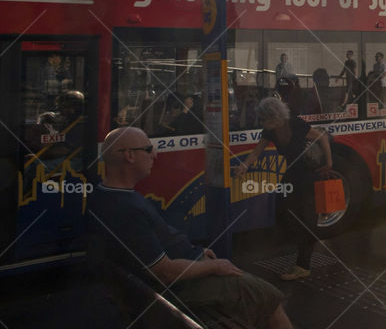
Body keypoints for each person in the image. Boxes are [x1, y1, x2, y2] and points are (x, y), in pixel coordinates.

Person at [89, 126, 293, 329]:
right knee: (269, 298)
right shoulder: (126, 208)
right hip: (179, 287)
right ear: (130, 156)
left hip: (170, 274)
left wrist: (197, 252)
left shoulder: (106, 196)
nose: (155, 155)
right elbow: (165, 273)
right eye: (149, 149)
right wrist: (214, 266)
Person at [234, 98, 332, 281]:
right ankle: (301, 253)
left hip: (308, 174)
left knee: (306, 218)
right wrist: (244, 166)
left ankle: (303, 265)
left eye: (264, 120)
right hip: (292, 173)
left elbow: (322, 137)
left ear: (275, 117)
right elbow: (257, 151)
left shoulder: (295, 124)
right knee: (283, 210)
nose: (262, 124)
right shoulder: (270, 131)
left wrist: (329, 163)